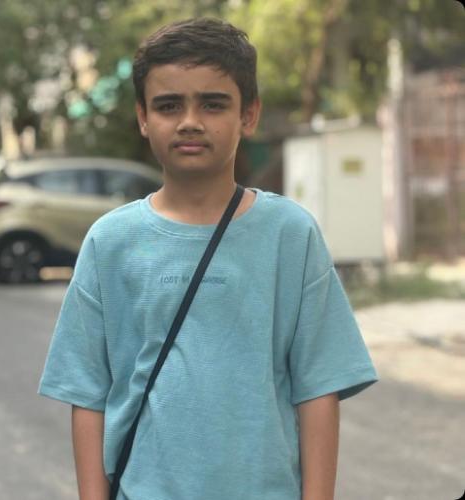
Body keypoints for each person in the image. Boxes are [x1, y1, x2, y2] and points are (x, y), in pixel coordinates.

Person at [38, 17, 378, 500]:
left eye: (213, 104)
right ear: (143, 118)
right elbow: (87, 392)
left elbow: (319, 387)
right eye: (168, 105)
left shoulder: (290, 235)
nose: (190, 121)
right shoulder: (109, 242)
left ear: (248, 115)